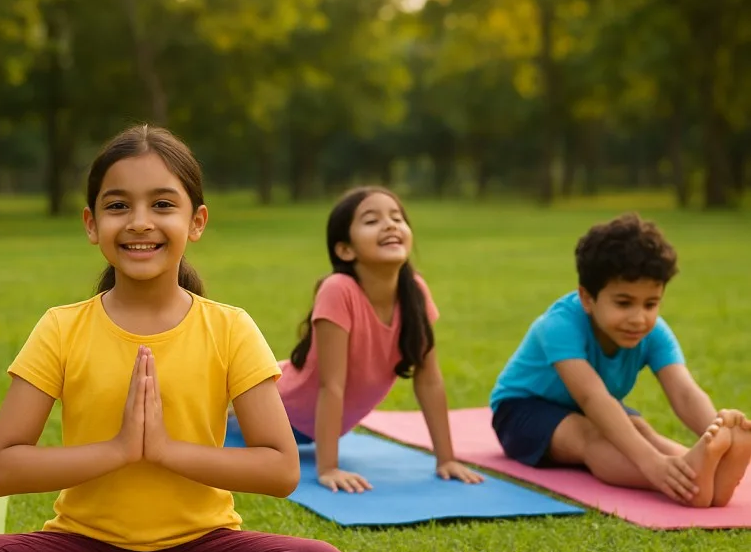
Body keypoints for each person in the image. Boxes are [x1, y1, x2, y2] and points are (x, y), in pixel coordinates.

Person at [0, 125, 353, 552]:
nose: (140, 223)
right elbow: (0, 469)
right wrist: (119, 450)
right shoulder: (62, 328)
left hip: (202, 547)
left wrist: (167, 451)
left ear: (196, 221)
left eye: (163, 204)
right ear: (91, 223)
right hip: (86, 550)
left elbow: (281, 468)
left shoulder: (230, 328)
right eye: (118, 206)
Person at [490, 213, 751, 507]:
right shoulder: (558, 325)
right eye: (623, 303)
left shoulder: (654, 332)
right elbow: (592, 397)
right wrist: (652, 465)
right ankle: (689, 478)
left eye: (651, 304)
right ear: (588, 298)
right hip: (521, 411)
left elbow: (684, 392)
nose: (638, 318)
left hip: (591, 406)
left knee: (640, 430)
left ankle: (705, 470)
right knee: (592, 436)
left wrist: (717, 431)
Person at [277, 186, 483, 493]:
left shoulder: (414, 291)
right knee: (223, 421)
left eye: (397, 218)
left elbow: (429, 381)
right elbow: (331, 385)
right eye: (372, 220)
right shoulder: (339, 289)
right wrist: (329, 468)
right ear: (345, 249)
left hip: (314, 429)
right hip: (275, 412)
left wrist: (446, 459)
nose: (390, 225)